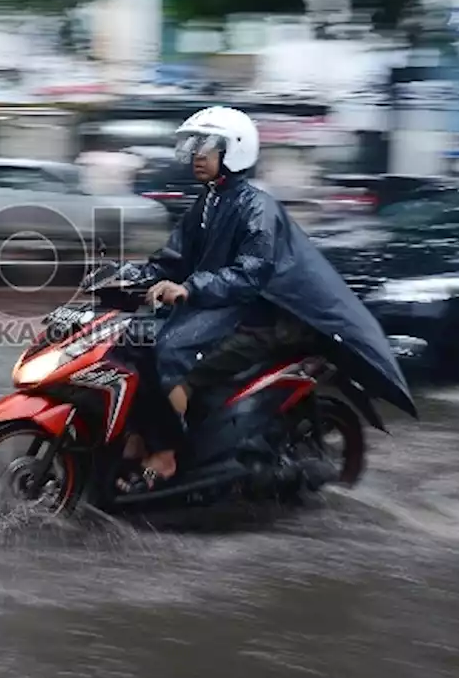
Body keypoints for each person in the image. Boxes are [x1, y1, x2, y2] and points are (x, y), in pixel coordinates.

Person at [116, 106, 320, 493]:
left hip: (249, 319)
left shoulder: (258, 208)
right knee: (131, 340)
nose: (197, 155)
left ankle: (166, 456)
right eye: (194, 146)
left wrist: (191, 288)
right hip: (212, 309)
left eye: (208, 147)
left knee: (168, 358)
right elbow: (173, 258)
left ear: (235, 152)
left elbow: (251, 273)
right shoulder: (207, 202)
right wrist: (126, 276)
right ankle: (142, 435)